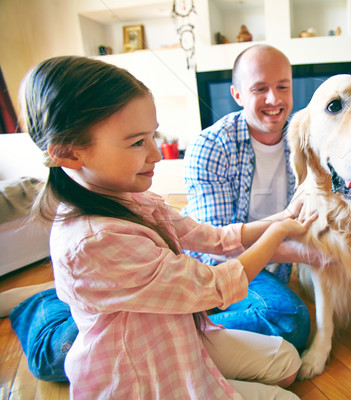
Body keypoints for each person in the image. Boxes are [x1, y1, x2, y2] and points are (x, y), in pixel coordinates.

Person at [13, 55, 318, 399]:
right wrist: (280, 233)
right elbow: (214, 284)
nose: (157, 154)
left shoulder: (134, 198)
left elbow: (214, 237)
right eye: (137, 142)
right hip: (142, 372)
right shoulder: (94, 241)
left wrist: (281, 217)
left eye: (153, 135)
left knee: (287, 363)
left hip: (178, 331)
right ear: (70, 155)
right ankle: (45, 314)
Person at [182, 44, 310, 350]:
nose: (274, 99)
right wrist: (308, 254)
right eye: (260, 88)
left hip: (266, 270)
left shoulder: (306, 142)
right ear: (237, 94)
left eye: (283, 87)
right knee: (288, 317)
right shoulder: (211, 145)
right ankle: (170, 335)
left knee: (287, 319)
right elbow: (216, 247)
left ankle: (191, 322)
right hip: (212, 268)